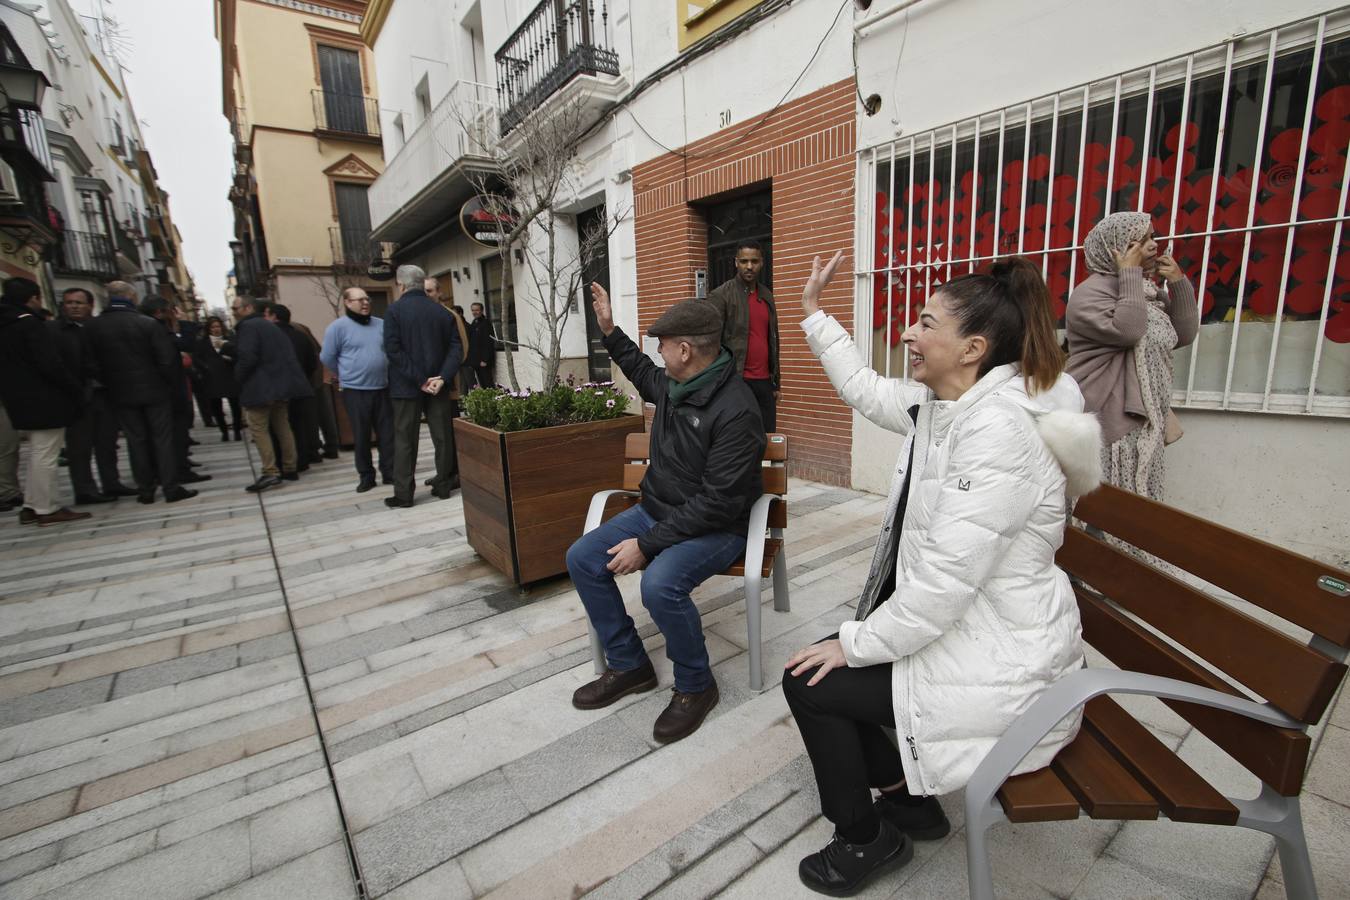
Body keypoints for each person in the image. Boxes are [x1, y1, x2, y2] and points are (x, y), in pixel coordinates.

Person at [781, 252, 1102, 896]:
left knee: (812, 682)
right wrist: (817, 317)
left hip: (1003, 657)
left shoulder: (1000, 432)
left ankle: (866, 840)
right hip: (974, 630)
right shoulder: (947, 408)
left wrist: (851, 643)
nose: (908, 332)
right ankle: (908, 801)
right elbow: (868, 391)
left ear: (972, 348)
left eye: (925, 322)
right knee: (829, 670)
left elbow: (940, 591)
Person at [565, 286, 766, 744]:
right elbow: (640, 370)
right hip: (658, 512)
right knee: (582, 557)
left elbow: (718, 502)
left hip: (717, 527)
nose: (657, 350)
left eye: (662, 343)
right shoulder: (676, 385)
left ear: (685, 349)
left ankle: (696, 685)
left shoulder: (736, 409)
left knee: (659, 585)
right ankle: (629, 663)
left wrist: (648, 545)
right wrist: (610, 332)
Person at [1066, 211, 1198, 501]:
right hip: (1108, 414)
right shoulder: (1088, 296)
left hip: (1146, 414)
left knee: (1139, 502)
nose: (1152, 245)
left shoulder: (1144, 291)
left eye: (1153, 237)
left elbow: (1181, 335)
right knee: (1109, 504)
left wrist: (1178, 283)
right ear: (1116, 248)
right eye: (1140, 241)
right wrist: (1129, 275)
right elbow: (1129, 331)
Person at [83, 281, 197, 504]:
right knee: (162, 439)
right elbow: (166, 361)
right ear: (131, 297)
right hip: (155, 391)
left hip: (120, 392)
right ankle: (170, 487)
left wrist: (111, 382)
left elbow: (90, 363)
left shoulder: (93, 326)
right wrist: (168, 386)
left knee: (136, 440)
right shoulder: (147, 324)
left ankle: (145, 489)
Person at [0, 277, 93, 525]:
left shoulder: (5, 324)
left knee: (37, 453)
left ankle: (31, 504)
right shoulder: (29, 324)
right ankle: (47, 508)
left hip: (17, 398)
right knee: (45, 454)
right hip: (44, 398)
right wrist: (73, 389)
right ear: (32, 298)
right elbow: (49, 363)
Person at [382, 265, 462, 508]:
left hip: (406, 387)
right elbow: (455, 348)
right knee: (443, 437)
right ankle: (444, 485)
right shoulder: (442, 313)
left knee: (405, 439)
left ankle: (404, 494)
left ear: (401, 284)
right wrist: (441, 378)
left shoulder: (394, 312)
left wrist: (420, 379)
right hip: (438, 386)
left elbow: (393, 350)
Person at [51, 288, 127, 504]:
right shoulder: (54, 330)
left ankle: (112, 483)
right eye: (69, 302)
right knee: (79, 447)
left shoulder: (100, 327)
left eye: (79, 302)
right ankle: (85, 490)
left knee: (107, 442)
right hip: (76, 396)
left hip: (104, 392)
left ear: (90, 305)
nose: (73, 306)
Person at [231, 296, 312, 492]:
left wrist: (238, 378)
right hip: (281, 386)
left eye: (236, 308)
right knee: (282, 425)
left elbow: (247, 357)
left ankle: (270, 471)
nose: (233, 311)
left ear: (248, 307)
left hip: (260, 387)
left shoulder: (249, 327)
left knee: (258, 428)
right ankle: (290, 466)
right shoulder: (272, 327)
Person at [321, 288, 395, 493]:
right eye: (359, 299)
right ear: (347, 302)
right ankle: (366, 476)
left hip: (382, 387)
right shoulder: (337, 328)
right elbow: (327, 357)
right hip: (355, 390)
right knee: (361, 435)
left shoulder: (381, 324)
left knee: (387, 434)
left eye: (367, 299)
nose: (365, 303)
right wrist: (345, 374)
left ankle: (389, 472)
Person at [703, 240, 781, 431]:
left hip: (764, 382)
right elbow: (709, 342)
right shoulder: (721, 295)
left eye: (754, 261)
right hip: (736, 380)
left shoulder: (767, 295)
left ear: (761, 263)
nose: (749, 266)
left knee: (767, 436)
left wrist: (776, 382)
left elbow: (773, 340)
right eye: (744, 261)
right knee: (739, 435)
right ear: (736, 262)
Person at [141, 296, 210, 486]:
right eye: (171, 309)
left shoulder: (149, 327)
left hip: (156, 390)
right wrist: (178, 325)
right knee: (173, 434)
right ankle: (177, 470)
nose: (174, 313)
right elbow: (182, 347)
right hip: (168, 390)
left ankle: (160, 474)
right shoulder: (158, 329)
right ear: (160, 312)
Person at [264, 303, 321, 470]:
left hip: (280, 389)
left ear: (274, 316)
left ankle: (289, 462)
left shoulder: (271, 337)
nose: (265, 319)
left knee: (282, 427)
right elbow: (312, 362)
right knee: (301, 424)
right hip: (301, 385)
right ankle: (305, 458)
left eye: (267, 315)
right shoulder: (301, 336)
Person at [195, 316, 242, 441]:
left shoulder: (230, 339)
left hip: (229, 376)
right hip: (212, 378)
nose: (216, 329)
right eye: (213, 327)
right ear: (208, 329)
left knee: (235, 406)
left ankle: (237, 431)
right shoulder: (203, 342)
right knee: (216, 408)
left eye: (218, 326)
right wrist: (205, 367)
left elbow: (239, 354)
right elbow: (197, 358)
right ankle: (224, 432)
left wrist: (231, 359)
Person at [466, 301, 496, 389]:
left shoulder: (486, 323)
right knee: (482, 383)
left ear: (482, 311)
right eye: (473, 310)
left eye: (477, 310)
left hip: (483, 361)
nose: (474, 312)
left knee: (488, 383)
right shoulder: (474, 323)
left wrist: (485, 359)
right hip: (476, 361)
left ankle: (493, 401)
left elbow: (488, 342)